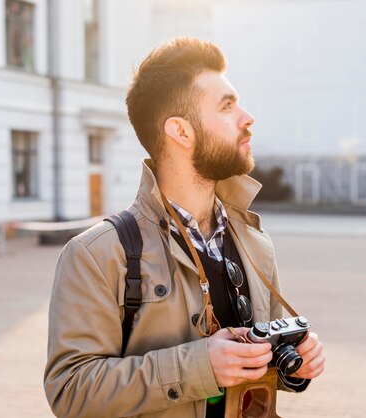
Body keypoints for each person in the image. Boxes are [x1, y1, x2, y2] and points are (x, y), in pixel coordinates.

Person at [44, 37, 325, 418]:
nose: (247, 117)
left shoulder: (255, 242)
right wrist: (199, 367)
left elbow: (254, 370)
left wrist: (292, 365)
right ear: (181, 131)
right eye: (227, 106)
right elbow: (70, 390)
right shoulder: (96, 255)